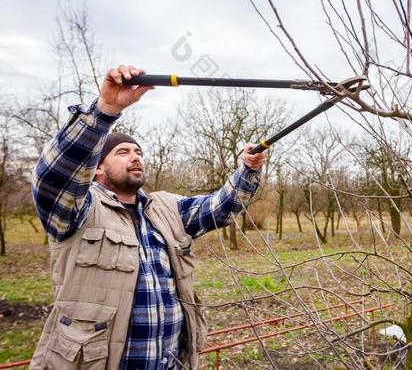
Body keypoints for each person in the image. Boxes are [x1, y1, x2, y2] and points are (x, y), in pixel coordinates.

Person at [30, 65, 266, 370]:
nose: (135, 156)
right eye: (123, 152)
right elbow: (53, 179)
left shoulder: (165, 208)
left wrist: (248, 169)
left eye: (138, 151)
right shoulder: (78, 211)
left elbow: (219, 208)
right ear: (97, 168)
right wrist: (105, 110)